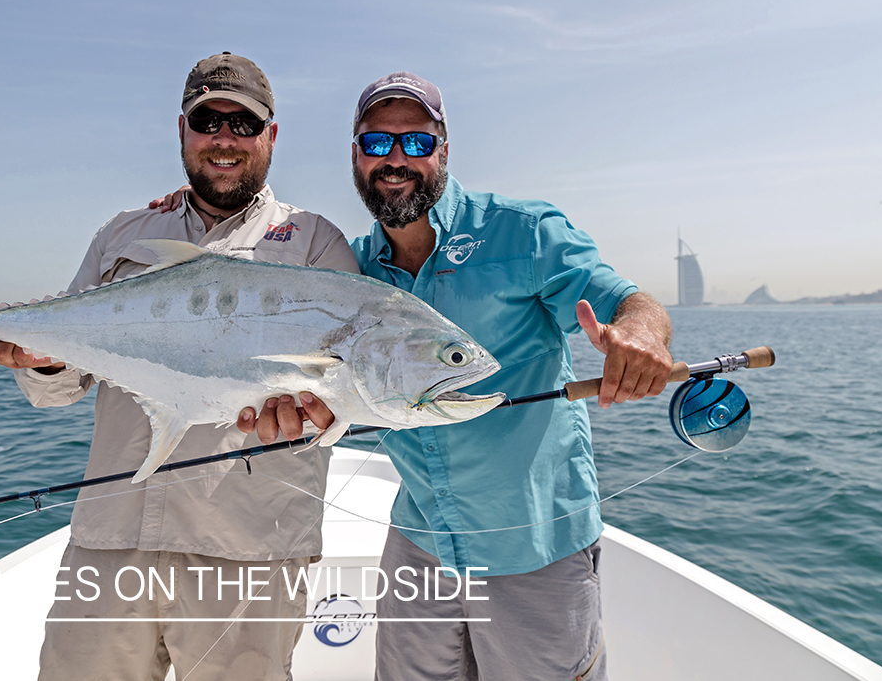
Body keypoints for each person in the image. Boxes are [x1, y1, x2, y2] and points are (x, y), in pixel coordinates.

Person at [153, 71, 673, 680]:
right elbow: (268, 308)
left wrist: (639, 335)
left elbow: (627, 301)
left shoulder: (521, 231)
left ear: (444, 149)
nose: (395, 159)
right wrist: (182, 209)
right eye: (377, 144)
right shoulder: (349, 269)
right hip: (420, 542)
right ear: (355, 155)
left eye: (416, 142)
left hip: (533, 544)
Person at [0, 52, 358, 681]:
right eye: (209, 121)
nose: (225, 140)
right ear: (182, 130)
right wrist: (36, 361)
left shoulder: (315, 244)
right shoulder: (123, 235)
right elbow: (62, 386)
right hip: (110, 540)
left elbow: (344, 393)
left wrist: (312, 415)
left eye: (245, 125)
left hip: (248, 552)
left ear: (272, 136)